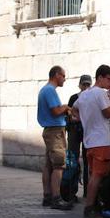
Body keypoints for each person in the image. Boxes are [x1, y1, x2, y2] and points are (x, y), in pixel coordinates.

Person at [72, 65, 110, 218]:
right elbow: (108, 113)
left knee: (93, 175)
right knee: (97, 176)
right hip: (101, 141)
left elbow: (74, 109)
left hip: (89, 141)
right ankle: (89, 208)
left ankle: (93, 205)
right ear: (100, 77)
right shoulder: (101, 94)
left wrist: (79, 118)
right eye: (109, 79)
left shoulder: (84, 94)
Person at [37, 65, 73, 210]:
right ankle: (56, 199)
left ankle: (47, 196)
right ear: (57, 75)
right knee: (59, 165)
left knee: (49, 165)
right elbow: (56, 111)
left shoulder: (45, 90)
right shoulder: (50, 91)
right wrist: (66, 107)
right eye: (63, 76)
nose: (64, 79)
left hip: (50, 131)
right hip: (55, 132)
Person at [67, 74, 92, 199]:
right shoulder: (74, 98)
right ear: (80, 85)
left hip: (87, 132)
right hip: (75, 131)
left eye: (88, 85)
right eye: (84, 84)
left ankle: (88, 192)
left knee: (89, 162)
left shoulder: (92, 98)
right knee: (73, 160)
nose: (86, 87)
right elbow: (71, 116)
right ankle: (71, 192)